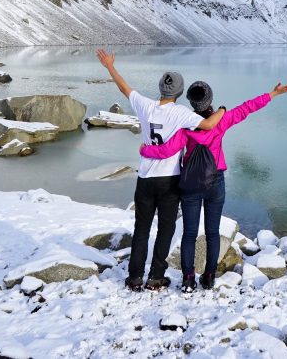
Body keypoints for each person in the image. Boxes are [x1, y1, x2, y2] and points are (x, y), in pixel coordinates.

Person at [141, 79, 287, 292]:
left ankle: (187, 278)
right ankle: (209, 276)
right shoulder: (221, 120)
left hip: (190, 185)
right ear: (210, 100)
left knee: (189, 234)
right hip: (215, 181)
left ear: (192, 103)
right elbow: (247, 108)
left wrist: (145, 151)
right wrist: (273, 94)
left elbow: (167, 150)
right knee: (213, 232)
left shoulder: (186, 124)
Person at [96, 49, 225, 292]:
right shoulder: (181, 113)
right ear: (178, 92)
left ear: (160, 88)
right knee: (166, 228)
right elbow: (208, 124)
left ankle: (134, 278)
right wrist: (223, 110)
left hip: (145, 178)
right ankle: (156, 277)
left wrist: (110, 66)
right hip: (169, 179)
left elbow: (125, 89)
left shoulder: (144, 106)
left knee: (141, 228)